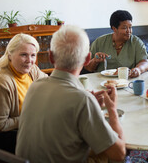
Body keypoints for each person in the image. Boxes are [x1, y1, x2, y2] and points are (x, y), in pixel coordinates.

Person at [16, 25, 126, 163]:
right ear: (87, 59)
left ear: (51, 56)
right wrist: (113, 110)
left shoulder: (34, 87)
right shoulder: (82, 100)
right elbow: (119, 153)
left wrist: (92, 107)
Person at [0, 33, 47, 131]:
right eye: (23, 55)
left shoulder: (32, 70)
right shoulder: (1, 82)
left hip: (26, 130)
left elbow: (49, 83)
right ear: (9, 55)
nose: (29, 60)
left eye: (33, 55)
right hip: (2, 139)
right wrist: (30, 118)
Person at [85, 10, 148, 78]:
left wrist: (138, 69)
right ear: (114, 28)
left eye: (130, 27)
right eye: (124, 28)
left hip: (128, 81)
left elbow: (145, 62)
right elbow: (88, 68)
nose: (129, 31)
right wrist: (95, 61)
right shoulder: (99, 42)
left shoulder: (136, 42)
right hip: (102, 82)